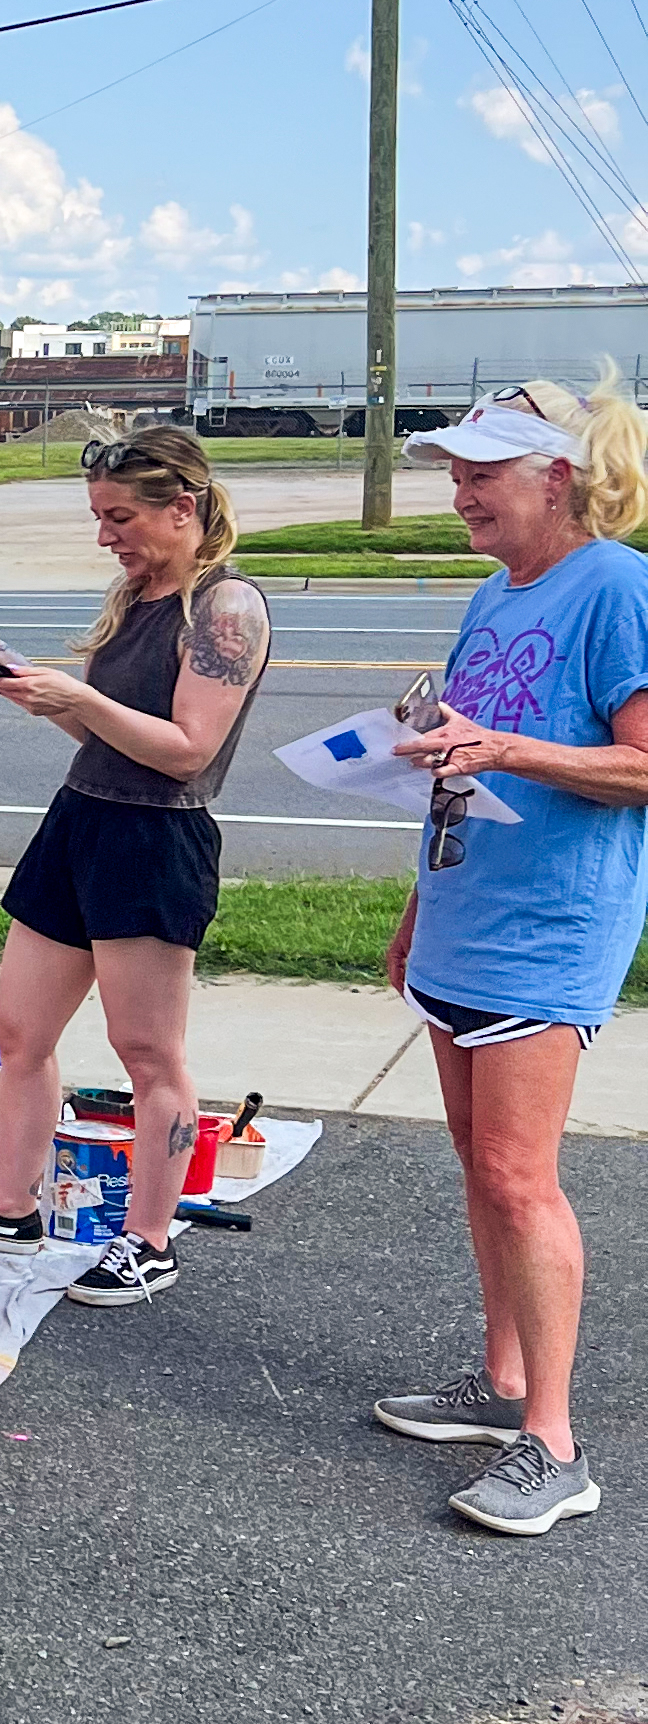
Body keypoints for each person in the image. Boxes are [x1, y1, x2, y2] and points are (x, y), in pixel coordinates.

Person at [0, 427, 270, 1308]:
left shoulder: (226, 608)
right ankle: (9, 1208)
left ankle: (149, 1239)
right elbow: (98, 730)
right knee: (19, 1033)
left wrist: (77, 693)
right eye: (99, 517)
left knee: (148, 1052)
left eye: (121, 517)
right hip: (81, 820)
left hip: (155, 841)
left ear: (182, 508)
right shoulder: (137, 595)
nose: (106, 536)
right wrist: (15, 673)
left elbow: (187, 751)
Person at [370, 376, 648, 1536]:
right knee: (482, 1167)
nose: (460, 494)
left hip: (549, 928)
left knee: (520, 1176)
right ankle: (502, 1384)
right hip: (464, 911)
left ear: (557, 478)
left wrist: (512, 750)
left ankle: (557, 1446)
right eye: (457, 473)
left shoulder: (617, 585)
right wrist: (416, 906)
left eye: (482, 473)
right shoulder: (495, 593)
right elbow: (464, 758)